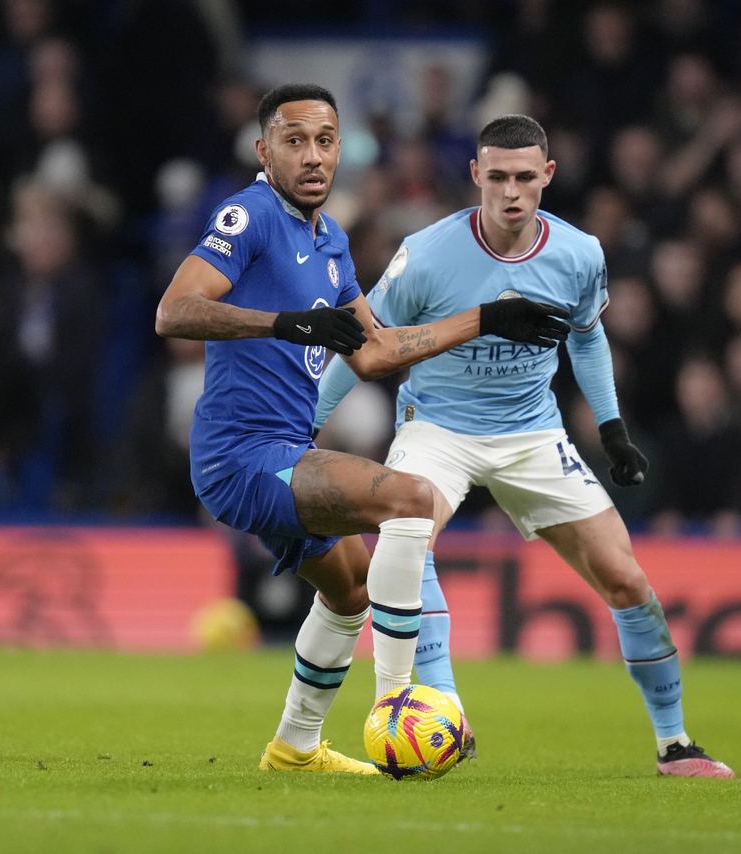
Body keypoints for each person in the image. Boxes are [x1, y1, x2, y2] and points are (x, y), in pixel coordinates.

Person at [155, 85, 570, 776]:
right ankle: (398, 707)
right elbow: (174, 311)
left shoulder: (330, 240)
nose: (312, 156)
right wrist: (285, 324)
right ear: (265, 151)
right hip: (241, 455)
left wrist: (485, 319)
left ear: (340, 149)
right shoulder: (249, 215)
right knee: (410, 498)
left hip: (287, 450)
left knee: (350, 592)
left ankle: (295, 748)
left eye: (324, 141)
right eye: (294, 141)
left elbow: (374, 353)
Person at [315, 114, 734, 778]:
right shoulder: (426, 253)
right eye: (498, 177)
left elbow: (588, 338)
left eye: (524, 177)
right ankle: (446, 708)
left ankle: (674, 742)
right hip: (438, 429)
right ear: (476, 175)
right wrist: (307, 423)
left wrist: (613, 429)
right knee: (406, 533)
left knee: (627, 579)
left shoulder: (579, 253)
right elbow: (363, 345)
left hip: (533, 432)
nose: (511, 192)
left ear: (548, 176)